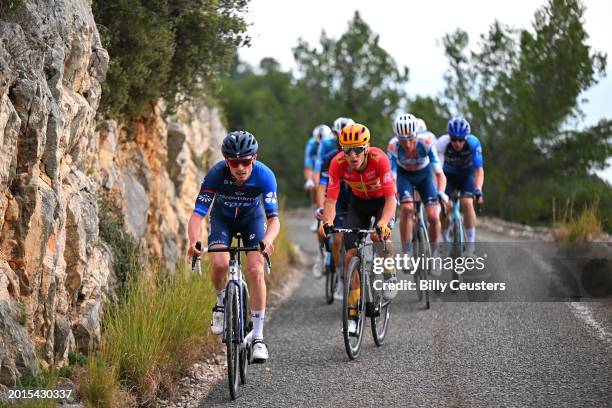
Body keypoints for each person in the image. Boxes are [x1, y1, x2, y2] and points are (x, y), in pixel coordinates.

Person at [187, 131, 280, 363]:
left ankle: (258, 337)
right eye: (234, 162)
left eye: (245, 161)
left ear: (254, 159)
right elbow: (198, 215)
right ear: (226, 162)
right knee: (219, 262)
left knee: (256, 269)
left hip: (252, 220)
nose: (240, 168)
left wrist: (268, 240)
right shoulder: (215, 175)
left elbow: (274, 219)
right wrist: (193, 241)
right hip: (223, 221)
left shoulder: (265, 176)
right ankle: (220, 304)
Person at [319, 123, 397, 335]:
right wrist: (327, 222)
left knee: (379, 238)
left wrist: (382, 224)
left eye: (357, 150)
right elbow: (331, 200)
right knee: (349, 255)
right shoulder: (337, 164)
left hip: (382, 203)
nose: (352, 156)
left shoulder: (380, 159)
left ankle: (389, 276)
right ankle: (353, 315)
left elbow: (391, 198)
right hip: (359, 204)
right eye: (347, 150)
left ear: (367, 148)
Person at [387, 113, 447, 260]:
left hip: (424, 175)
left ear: (416, 134)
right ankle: (406, 252)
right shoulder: (393, 146)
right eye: (402, 140)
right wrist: (394, 195)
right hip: (404, 175)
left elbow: (440, 175)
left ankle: (434, 253)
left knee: (433, 216)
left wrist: (441, 193)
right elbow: (391, 178)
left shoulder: (426, 142)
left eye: (410, 139)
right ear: (397, 138)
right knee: (407, 209)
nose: (407, 144)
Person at [436, 117, 484, 256]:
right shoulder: (442, 143)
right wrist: (438, 191)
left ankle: (471, 246)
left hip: (466, 176)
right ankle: (445, 242)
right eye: (454, 139)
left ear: (466, 137)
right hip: (447, 177)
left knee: (468, 203)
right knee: (445, 207)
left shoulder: (473, 143)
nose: (457, 143)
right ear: (449, 137)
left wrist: (478, 190)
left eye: (461, 139)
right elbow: (437, 170)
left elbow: (479, 170)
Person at [315, 128, 351, 300]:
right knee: (337, 239)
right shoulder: (331, 158)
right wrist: (320, 206)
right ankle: (341, 278)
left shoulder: (359, 158)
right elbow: (322, 185)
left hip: (354, 199)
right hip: (335, 199)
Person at [304, 125, 329, 231]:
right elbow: (308, 165)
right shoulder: (311, 144)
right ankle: (318, 211)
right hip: (317, 171)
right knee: (315, 186)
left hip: (329, 170)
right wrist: (310, 179)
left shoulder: (332, 142)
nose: (320, 146)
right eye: (318, 143)